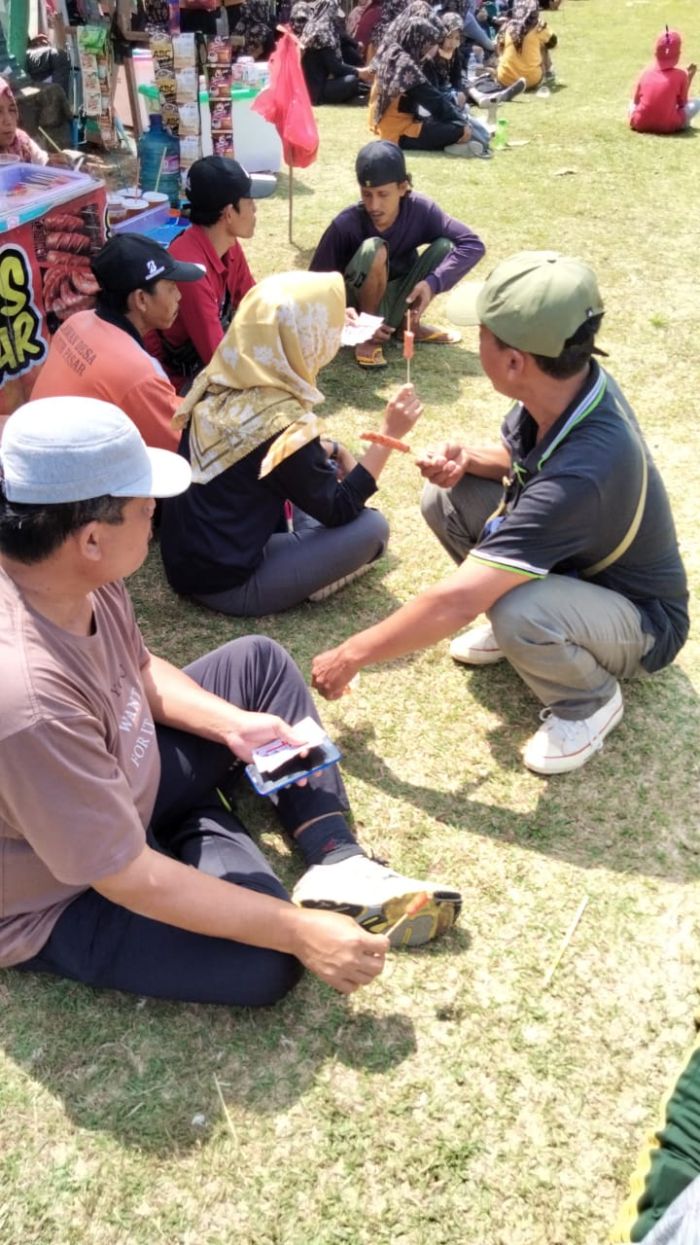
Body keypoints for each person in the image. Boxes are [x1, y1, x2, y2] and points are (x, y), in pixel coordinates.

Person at [0, 397, 461, 1007]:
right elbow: (124, 877)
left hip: (118, 784)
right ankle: (197, 819)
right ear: (89, 538)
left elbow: (136, 667)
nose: (157, 514)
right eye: (144, 509)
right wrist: (299, 929)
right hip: (63, 884)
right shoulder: (30, 699)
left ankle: (337, 859)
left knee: (259, 663)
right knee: (269, 960)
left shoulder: (75, 577)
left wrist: (231, 725)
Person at [311, 251, 689, 776]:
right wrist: (467, 458)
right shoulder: (568, 388)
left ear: (516, 362)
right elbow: (523, 460)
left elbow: (457, 602)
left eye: (486, 335)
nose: (478, 343)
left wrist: (349, 654)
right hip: (580, 572)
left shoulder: (585, 472)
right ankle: (539, 631)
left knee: (517, 611)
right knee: (445, 497)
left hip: (643, 623)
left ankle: (589, 701)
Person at [158, 270, 415, 615]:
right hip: (232, 586)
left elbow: (248, 461)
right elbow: (340, 509)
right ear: (302, 337)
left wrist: (333, 449)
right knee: (372, 529)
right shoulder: (281, 425)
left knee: (315, 473)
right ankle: (311, 578)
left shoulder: (215, 379)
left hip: (186, 563)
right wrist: (388, 436)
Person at [309, 140, 485, 367]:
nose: (374, 205)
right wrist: (340, 312)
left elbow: (472, 244)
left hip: (400, 299)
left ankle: (408, 326)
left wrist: (433, 283)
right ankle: (368, 335)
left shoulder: (422, 210)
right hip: (358, 312)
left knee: (445, 246)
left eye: (383, 194)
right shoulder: (345, 225)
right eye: (367, 194)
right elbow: (312, 284)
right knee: (374, 248)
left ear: (403, 188)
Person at [31, 234, 202, 452]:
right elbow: (182, 445)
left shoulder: (76, 322)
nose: (178, 295)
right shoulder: (138, 374)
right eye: (170, 286)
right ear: (141, 299)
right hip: (73, 477)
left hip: (39, 454)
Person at [147, 156, 274, 393]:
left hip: (204, 356)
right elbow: (218, 360)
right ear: (228, 213)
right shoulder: (191, 269)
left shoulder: (229, 245)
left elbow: (254, 302)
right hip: (174, 377)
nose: (255, 209)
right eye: (249, 201)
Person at [368, 8, 484, 158]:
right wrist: (462, 123)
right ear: (418, 41)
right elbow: (433, 100)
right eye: (427, 44)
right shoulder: (406, 65)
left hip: (384, 124)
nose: (430, 50)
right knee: (458, 129)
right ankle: (458, 141)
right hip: (398, 133)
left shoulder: (393, 54)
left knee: (443, 117)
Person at [425, 12, 492, 151]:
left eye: (456, 38)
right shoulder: (431, 56)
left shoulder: (455, 53)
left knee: (482, 134)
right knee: (471, 130)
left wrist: (460, 92)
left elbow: (457, 79)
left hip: (449, 98)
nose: (452, 43)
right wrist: (454, 98)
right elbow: (432, 92)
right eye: (449, 37)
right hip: (435, 104)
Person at [300, 0, 373, 105]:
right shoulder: (323, 34)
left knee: (353, 78)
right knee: (351, 80)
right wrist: (360, 72)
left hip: (311, 85)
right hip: (317, 89)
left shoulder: (312, 28)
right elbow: (335, 68)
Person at [630, 28, 700, 135]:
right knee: (697, 102)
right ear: (679, 54)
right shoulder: (681, 75)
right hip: (668, 126)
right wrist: (688, 77)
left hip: (639, 123)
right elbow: (682, 104)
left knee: (631, 104)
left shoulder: (646, 73)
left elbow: (635, 102)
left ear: (656, 52)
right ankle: (685, 124)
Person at [495, 0, 557, 91]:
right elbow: (553, 43)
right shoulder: (539, 27)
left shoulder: (506, 26)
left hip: (505, 80)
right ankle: (549, 74)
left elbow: (498, 47)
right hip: (531, 80)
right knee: (542, 44)